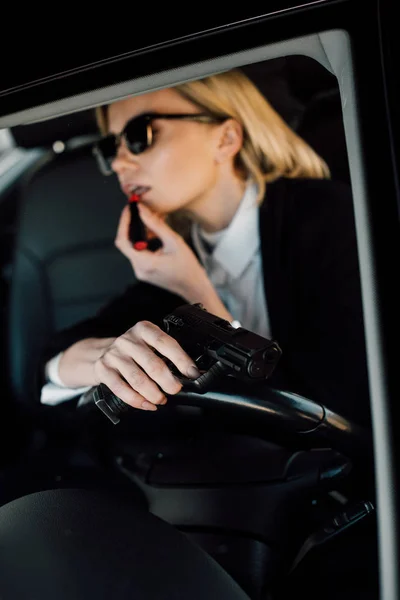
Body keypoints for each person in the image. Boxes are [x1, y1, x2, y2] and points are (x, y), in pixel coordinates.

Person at [37, 67, 370, 427]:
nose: (118, 162)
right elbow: (51, 362)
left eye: (140, 135)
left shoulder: (330, 218)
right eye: (110, 146)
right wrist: (103, 355)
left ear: (226, 138)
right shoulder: (171, 255)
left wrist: (193, 291)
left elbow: (338, 409)